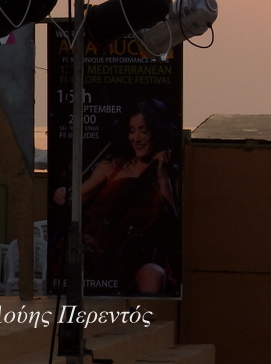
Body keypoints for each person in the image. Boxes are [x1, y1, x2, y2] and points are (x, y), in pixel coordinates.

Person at [53, 98, 180, 295]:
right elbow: (76, 198)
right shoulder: (112, 166)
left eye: (143, 131)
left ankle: (143, 324)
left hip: (141, 257)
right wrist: (62, 194)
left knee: (153, 276)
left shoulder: (171, 173)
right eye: (131, 130)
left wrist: (163, 177)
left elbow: (172, 222)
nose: (136, 138)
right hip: (96, 246)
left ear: (158, 130)